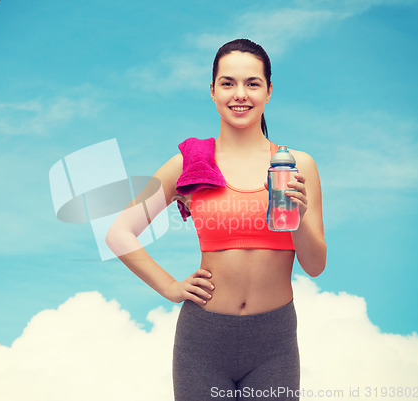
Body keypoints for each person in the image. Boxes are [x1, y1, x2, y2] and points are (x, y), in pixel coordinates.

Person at [106, 38, 326, 401]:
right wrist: (169, 286)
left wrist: (299, 218)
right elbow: (119, 232)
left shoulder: (297, 166)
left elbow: (315, 266)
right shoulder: (188, 164)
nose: (240, 94)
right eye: (228, 83)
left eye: (252, 83)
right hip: (202, 340)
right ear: (212, 91)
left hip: (274, 342)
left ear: (269, 91)